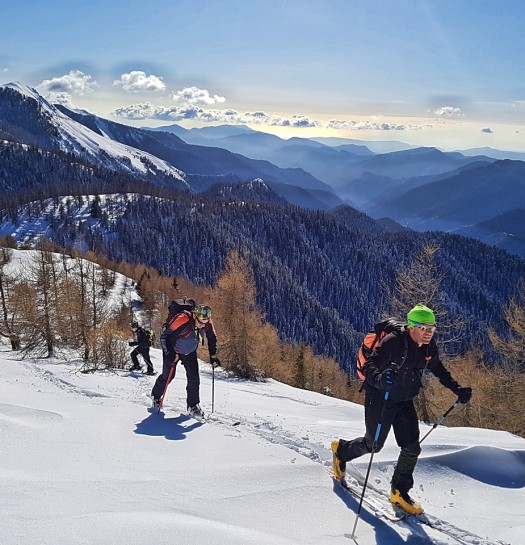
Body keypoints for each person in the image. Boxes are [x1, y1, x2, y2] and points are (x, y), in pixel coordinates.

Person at [331, 303, 472, 515]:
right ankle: (341, 450)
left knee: (412, 447)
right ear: (412, 326)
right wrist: (380, 379)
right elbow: (370, 365)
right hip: (380, 398)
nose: (429, 332)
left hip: (404, 400)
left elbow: (438, 369)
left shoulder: (428, 347)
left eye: (432, 327)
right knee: (373, 444)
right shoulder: (393, 342)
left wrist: (457, 388)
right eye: (425, 327)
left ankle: (399, 491)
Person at [151, 304, 221, 417]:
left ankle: (193, 406)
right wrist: (169, 354)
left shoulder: (207, 321)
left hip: (189, 351)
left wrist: (213, 356)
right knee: (168, 375)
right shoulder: (182, 319)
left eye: (205, 323)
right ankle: (156, 396)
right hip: (173, 351)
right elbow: (165, 337)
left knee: (194, 378)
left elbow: (212, 338)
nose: (202, 326)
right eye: (200, 323)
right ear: (195, 317)